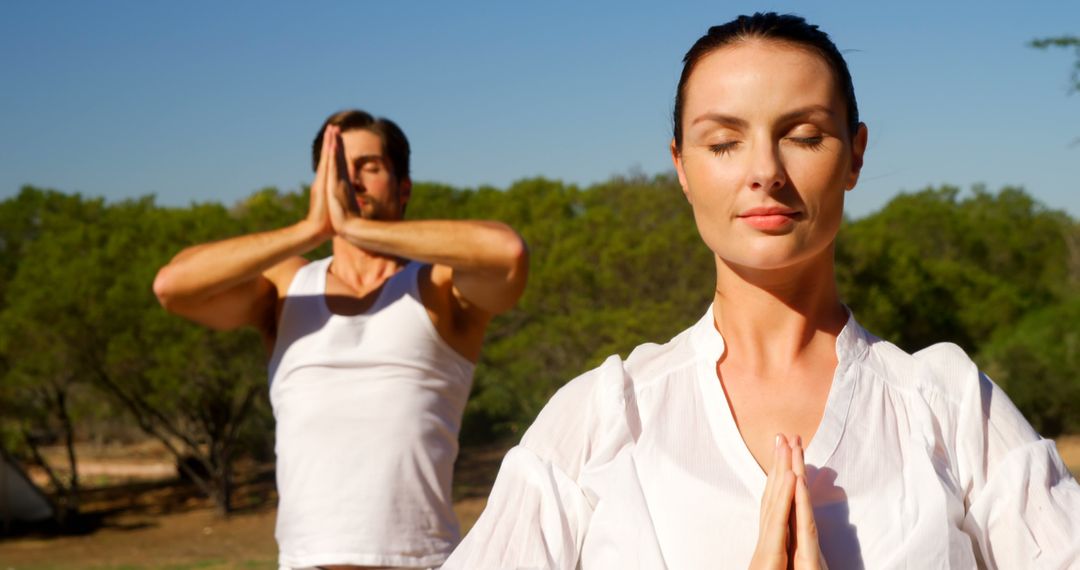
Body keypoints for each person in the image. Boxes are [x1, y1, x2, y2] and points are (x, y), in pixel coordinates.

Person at [443, 13, 1080, 569]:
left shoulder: (951, 406)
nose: (765, 173)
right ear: (681, 168)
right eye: (723, 143)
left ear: (855, 155)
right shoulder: (600, 417)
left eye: (804, 136)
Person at [153, 109, 529, 569]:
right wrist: (310, 230)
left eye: (368, 167)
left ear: (403, 187)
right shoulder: (285, 288)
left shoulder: (437, 288)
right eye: (338, 169)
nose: (352, 181)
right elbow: (172, 286)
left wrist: (354, 227)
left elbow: (507, 254)